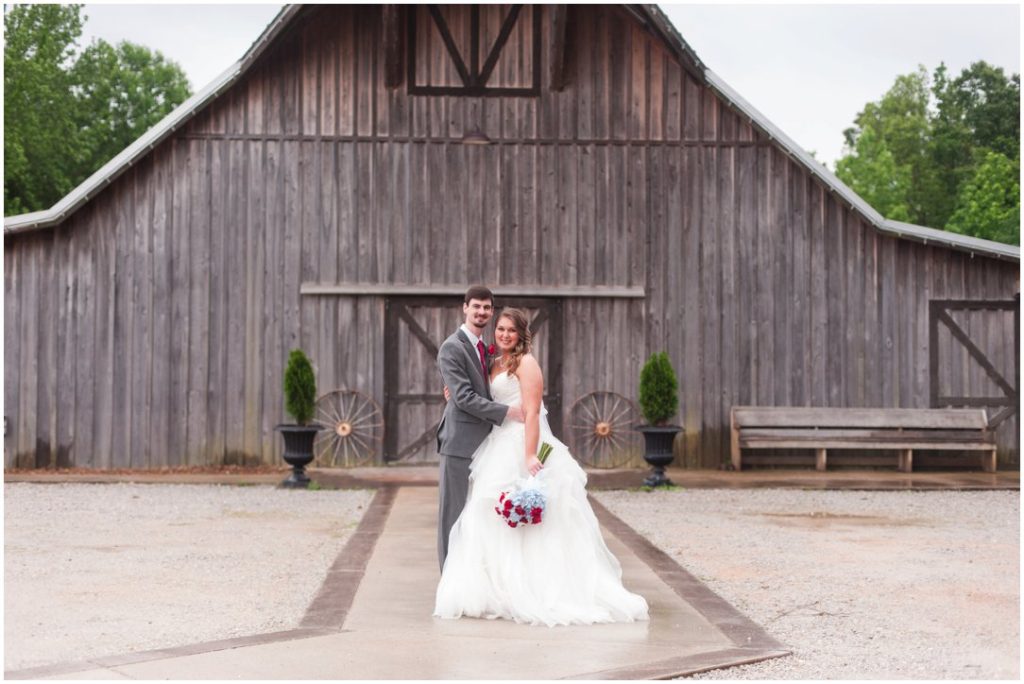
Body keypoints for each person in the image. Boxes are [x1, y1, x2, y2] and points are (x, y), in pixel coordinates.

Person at [434, 308, 649, 627]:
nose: (505, 334)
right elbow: (476, 396)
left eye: (511, 330)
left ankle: (534, 589)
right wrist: (452, 394)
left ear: (522, 335)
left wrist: (531, 455)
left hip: (521, 444)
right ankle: (497, 589)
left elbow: (532, 413)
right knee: (487, 515)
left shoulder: (527, 364)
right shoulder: (493, 362)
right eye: (501, 329)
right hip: (495, 445)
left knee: (529, 524)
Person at [435, 286, 524, 572]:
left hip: (487, 445)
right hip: (460, 443)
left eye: (487, 308)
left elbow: (478, 388)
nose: (482, 312)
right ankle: (448, 579)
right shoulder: (452, 347)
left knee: (476, 515)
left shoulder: (484, 349)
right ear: (465, 308)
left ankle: (473, 575)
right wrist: (507, 411)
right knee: (453, 514)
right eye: (476, 306)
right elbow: (464, 397)